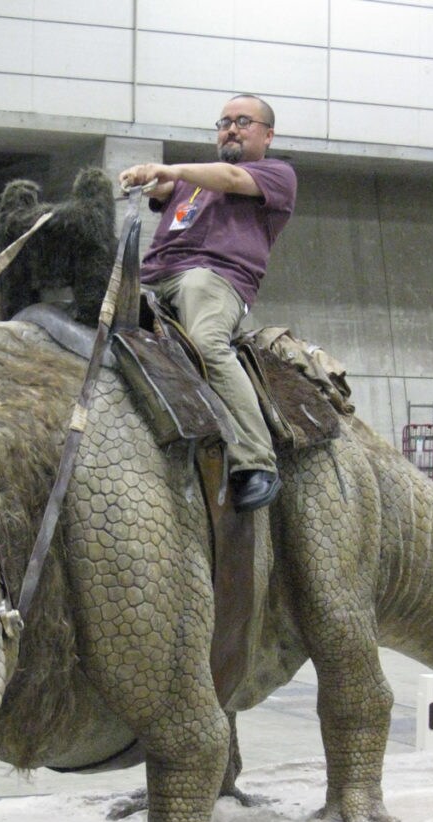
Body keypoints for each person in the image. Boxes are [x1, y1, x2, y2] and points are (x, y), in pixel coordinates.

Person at [118, 94, 297, 512]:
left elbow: (230, 180)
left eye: (243, 122)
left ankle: (256, 459)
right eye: (223, 122)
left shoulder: (276, 175)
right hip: (154, 276)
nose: (230, 128)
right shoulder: (193, 181)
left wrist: (170, 168)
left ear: (268, 135)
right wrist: (149, 177)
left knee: (206, 340)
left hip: (214, 278)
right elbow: (165, 189)